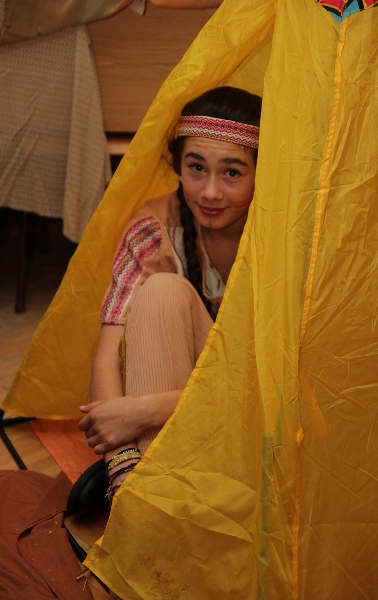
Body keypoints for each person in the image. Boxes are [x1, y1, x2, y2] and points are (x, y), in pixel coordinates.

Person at [78, 86, 262, 502]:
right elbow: (107, 357)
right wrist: (120, 460)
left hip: (258, 421)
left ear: (262, 174)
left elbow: (271, 386)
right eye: (196, 168)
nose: (210, 192)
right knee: (162, 292)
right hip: (180, 427)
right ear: (178, 165)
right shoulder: (153, 230)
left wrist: (146, 410)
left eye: (232, 173)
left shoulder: (284, 235)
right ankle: (144, 499)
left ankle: (166, 499)